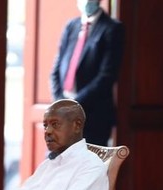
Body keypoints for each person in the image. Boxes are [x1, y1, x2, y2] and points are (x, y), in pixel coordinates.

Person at [50, 0, 124, 146]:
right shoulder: (71, 26)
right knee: (57, 164)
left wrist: (74, 104)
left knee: (87, 165)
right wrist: (60, 102)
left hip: (93, 116)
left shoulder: (112, 28)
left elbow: (106, 76)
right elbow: (56, 70)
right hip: (62, 114)